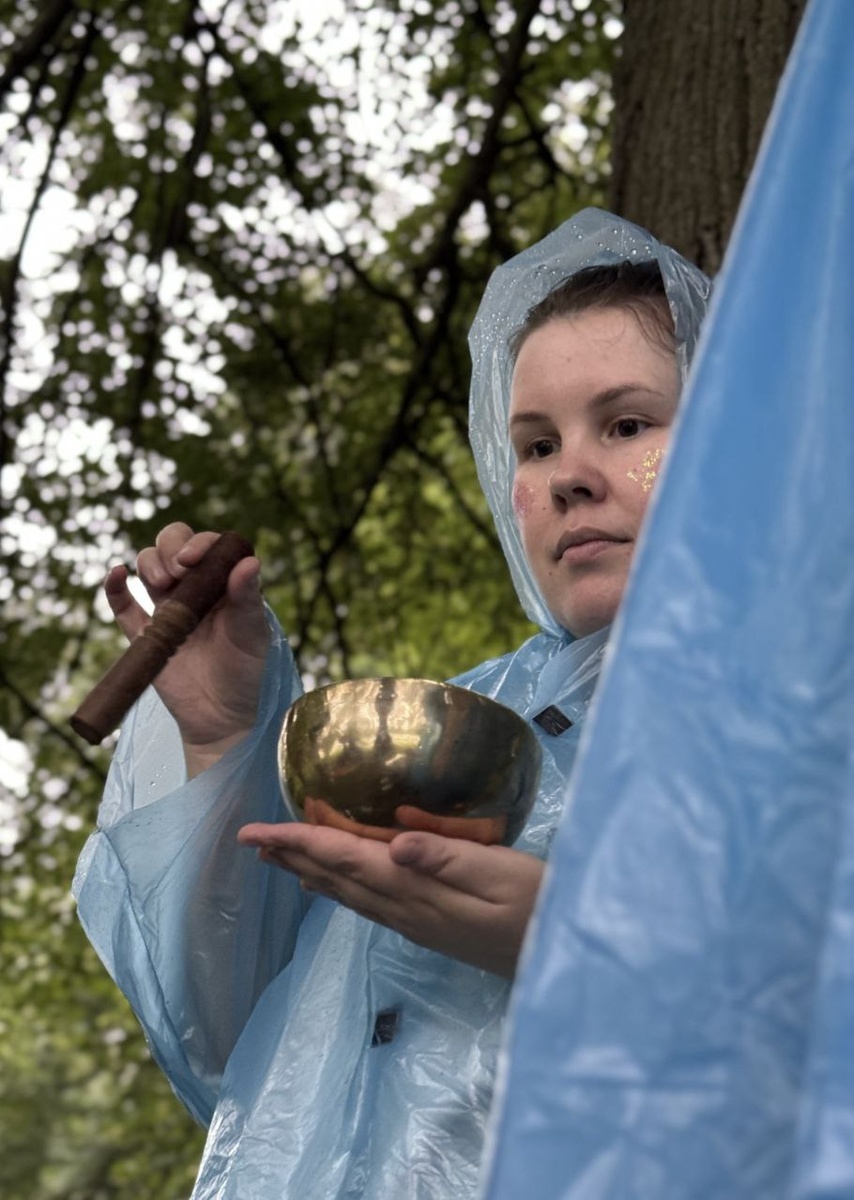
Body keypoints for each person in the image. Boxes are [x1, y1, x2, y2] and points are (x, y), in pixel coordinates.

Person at [73, 208, 711, 1199]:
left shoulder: (804, 718)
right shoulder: (442, 734)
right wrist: (222, 739)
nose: (567, 479)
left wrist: (588, 948)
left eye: (625, 424)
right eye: (533, 445)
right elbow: (229, 1038)